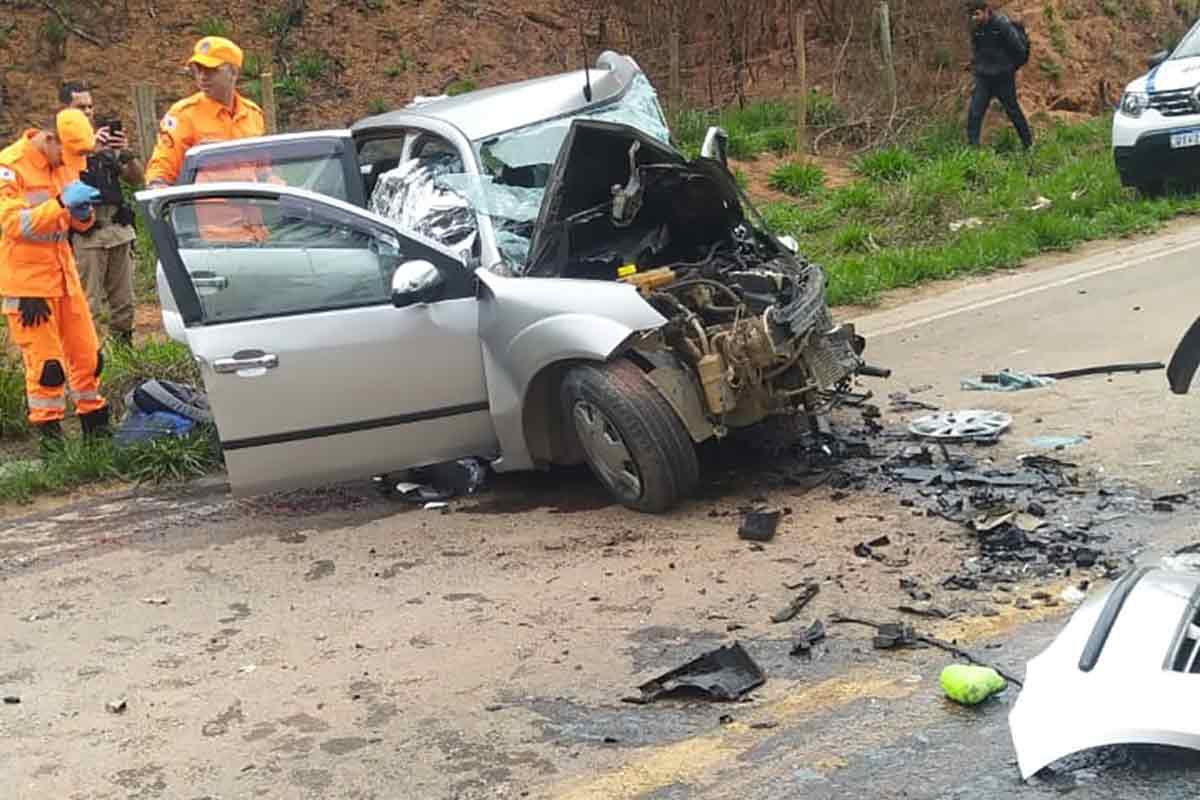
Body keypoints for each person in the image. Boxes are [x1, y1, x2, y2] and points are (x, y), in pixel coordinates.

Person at [0, 109, 110, 443]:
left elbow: (75, 224)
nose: (69, 163)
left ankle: (97, 433)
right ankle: (52, 444)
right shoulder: (9, 166)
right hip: (28, 285)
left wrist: (83, 215)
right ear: (49, 139)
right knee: (47, 368)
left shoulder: (63, 161)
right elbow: (13, 224)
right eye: (66, 153)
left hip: (64, 276)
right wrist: (61, 202)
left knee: (89, 358)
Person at [61, 80, 144, 348]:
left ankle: (125, 353)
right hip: (88, 235)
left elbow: (136, 180)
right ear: (66, 110)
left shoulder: (105, 144)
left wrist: (124, 154)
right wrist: (89, 149)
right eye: (80, 107)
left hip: (117, 230)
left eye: (90, 106)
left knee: (124, 303)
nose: (87, 112)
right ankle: (90, 359)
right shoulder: (62, 148)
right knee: (88, 305)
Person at [145, 36, 266, 188]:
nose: (202, 77)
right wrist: (158, 192)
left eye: (211, 70)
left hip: (253, 207)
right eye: (198, 70)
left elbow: (264, 171)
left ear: (233, 72)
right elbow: (161, 170)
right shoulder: (183, 114)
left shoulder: (253, 114)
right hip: (205, 208)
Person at [966, 1, 1033, 150]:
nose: (974, 18)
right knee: (975, 112)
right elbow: (977, 51)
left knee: (1013, 111)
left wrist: (1009, 69)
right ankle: (972, 152)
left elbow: (1019, 50)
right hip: (984, 78)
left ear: (986, 11)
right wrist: (977, 66)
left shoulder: (1002, 25)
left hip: (1003, 78)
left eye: (977, 14)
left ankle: (1028, 145)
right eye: (972, 15)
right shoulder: (976, 30)